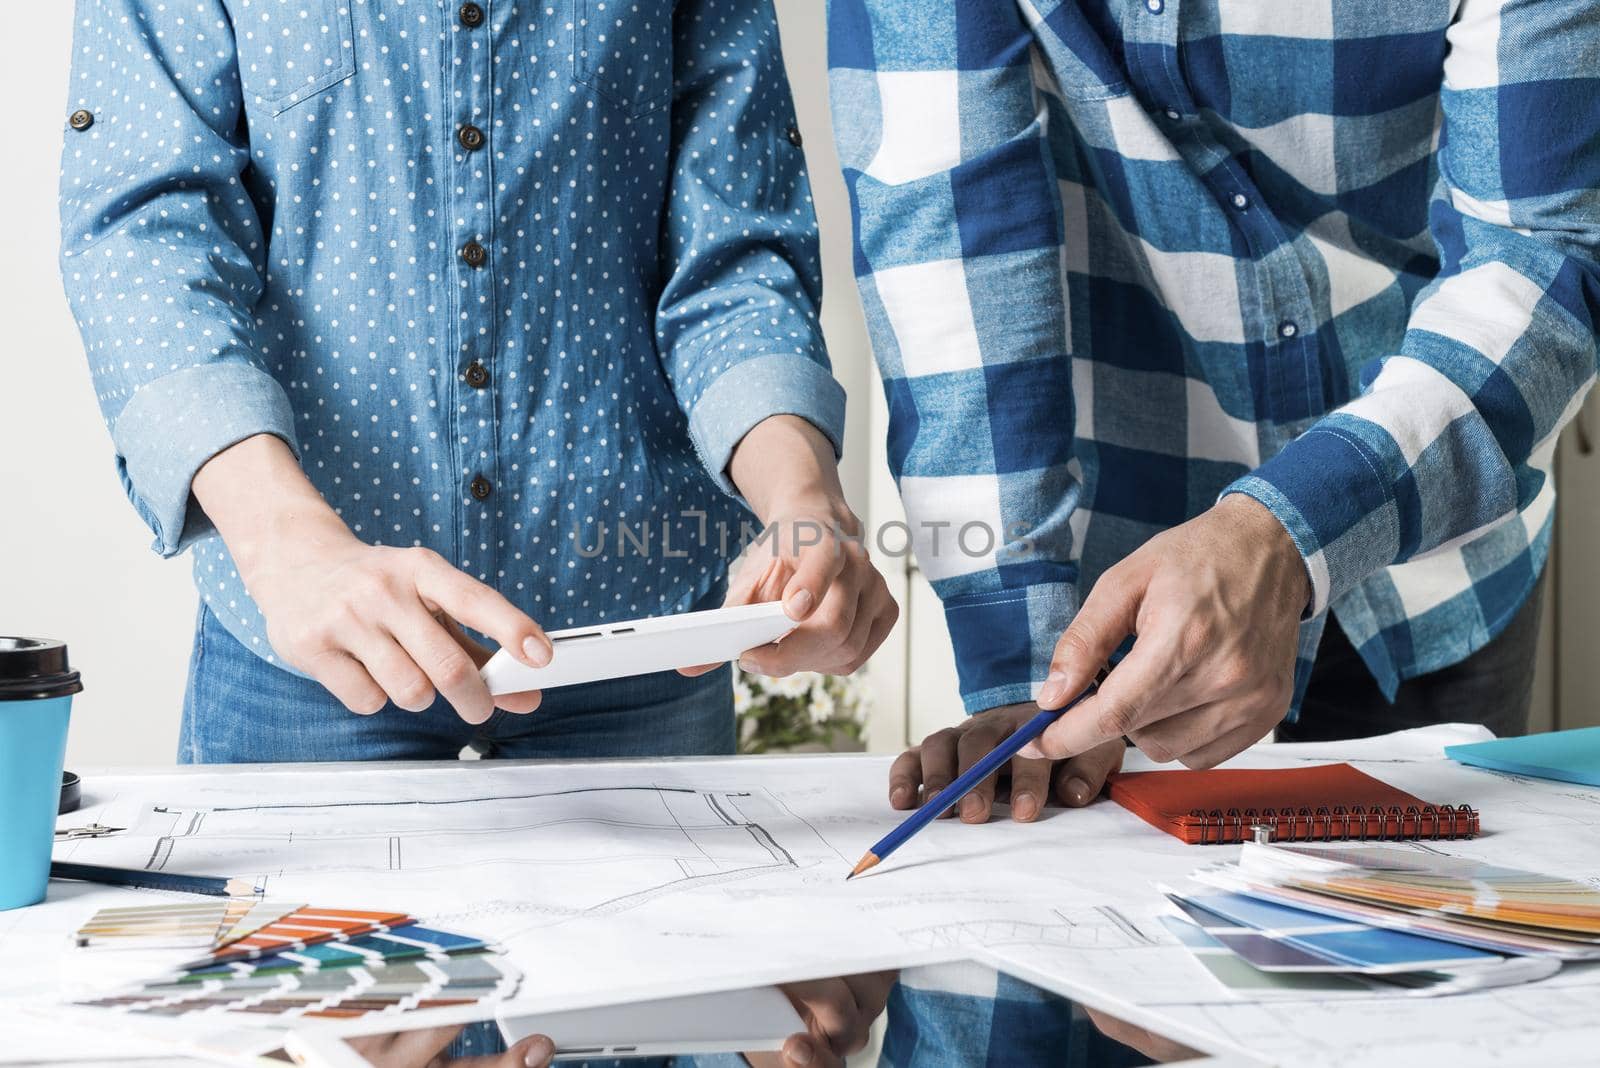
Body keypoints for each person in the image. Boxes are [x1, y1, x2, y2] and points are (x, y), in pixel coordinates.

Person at [59, 0, 897, 1063]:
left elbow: (731, 253)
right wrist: (289, 544)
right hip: (313, 687)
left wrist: (804, 504)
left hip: (638, 682)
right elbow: (145, 230)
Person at [828, 0, 1599, 1062]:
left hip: (1425, 554)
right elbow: (943, 219)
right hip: (1095, 582)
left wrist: (1287, 535)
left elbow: (1545, 254)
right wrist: (1020, 652)